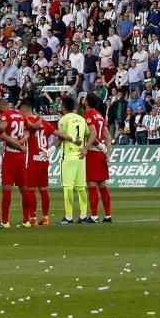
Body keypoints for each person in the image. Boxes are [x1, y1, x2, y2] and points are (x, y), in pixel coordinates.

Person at [0, 100, 31, 228]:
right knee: (24, 189)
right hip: (21, 156)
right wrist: (23, 140)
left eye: (0, 110)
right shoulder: (21, 115)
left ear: (2, 106)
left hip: (10, 154)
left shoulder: (6, 115)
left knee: (7, 189)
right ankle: (26, 220)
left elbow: (2, 128)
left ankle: (5, 221)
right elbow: (28, 130)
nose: (0, 113)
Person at [53, 95, 89, 225]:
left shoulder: (63, 119)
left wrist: (51, 149)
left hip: (68, 156)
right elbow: (88, 134)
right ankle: (83, 216)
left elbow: (61, 136)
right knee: (81, 187)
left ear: (63, 107)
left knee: (68, 187)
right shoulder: (81, 118)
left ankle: (68, 217)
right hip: (80, 156)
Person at [82, 92, 113, 223]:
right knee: (102, 184)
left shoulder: (88, 115)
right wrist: (108, 154)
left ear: (87, 102)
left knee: (92, 183)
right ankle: (107, 215)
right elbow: (107, 136)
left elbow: (93, 134)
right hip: (102, 153)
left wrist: (85, 148)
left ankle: (94, 216)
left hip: (93, 152)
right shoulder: (99, 115)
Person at [23, 101, 54, 226]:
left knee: (31, 189)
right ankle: (46, 217)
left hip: (32, 159)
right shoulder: (45, 122)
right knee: (43, 189)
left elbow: (26, 135)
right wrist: (52, 148)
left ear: (23, 111)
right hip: (44, 159)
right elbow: (58, 135)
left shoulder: (26, 122)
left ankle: (33, 218)